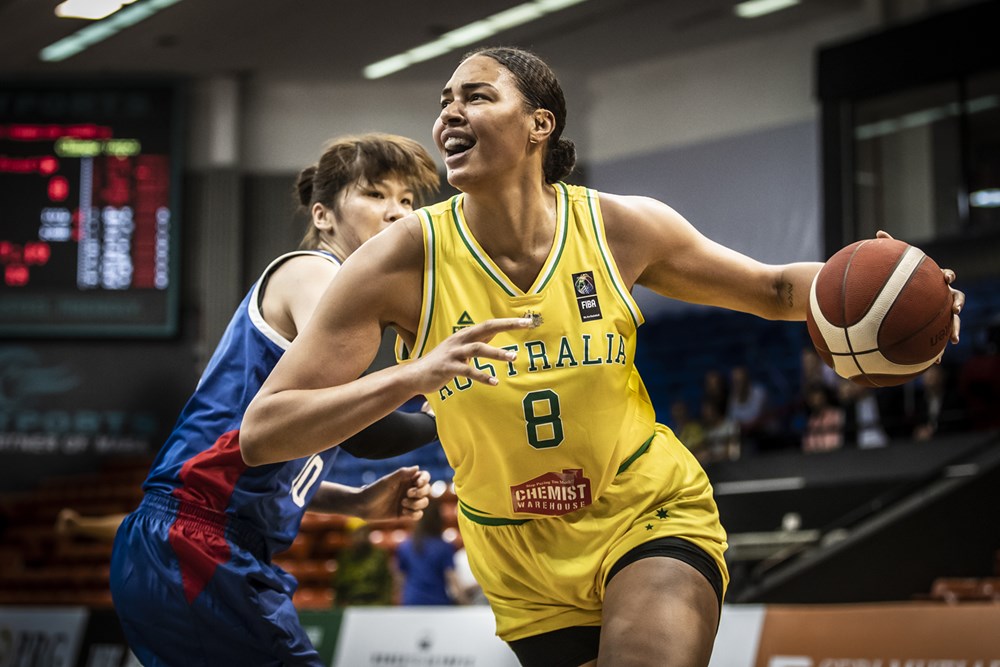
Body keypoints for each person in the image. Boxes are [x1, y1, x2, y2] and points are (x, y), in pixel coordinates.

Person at [242, 47, 964, 666]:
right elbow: (264, 430)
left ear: (539, 124)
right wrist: (413, 374)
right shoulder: (400, 260)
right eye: (443, 103)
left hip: (644, 512)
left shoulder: (619, 226)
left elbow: (774, 288)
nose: (449, 114)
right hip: (518, 555)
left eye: (476, 96)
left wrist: (898, 291)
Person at [109, 133, 442, 667]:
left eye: (406, 200)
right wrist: (447, 407)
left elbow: (265, 461)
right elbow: (364, 430)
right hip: (196, 543)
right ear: (323, 215)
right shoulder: (316, 273)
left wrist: (352, 503)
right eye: (375, 194)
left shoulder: (342, 299)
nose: (397, 212)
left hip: (196, 540)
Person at [395, 498, 465, 605]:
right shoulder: (444, 547)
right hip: (438, 602)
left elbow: (399, 580)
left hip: (412, 601)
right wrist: (465, 602)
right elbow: (452, 579)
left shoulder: (405, 546)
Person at [332, 518, 395, 606]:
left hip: (374, 605)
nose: (360, 537)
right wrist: (337, 608)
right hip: (352, 604)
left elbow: (386, 584)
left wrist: (383, 607)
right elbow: (339, 586)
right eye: (355, 533)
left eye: (362, 532)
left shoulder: (379, 555)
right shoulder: (345, 557)